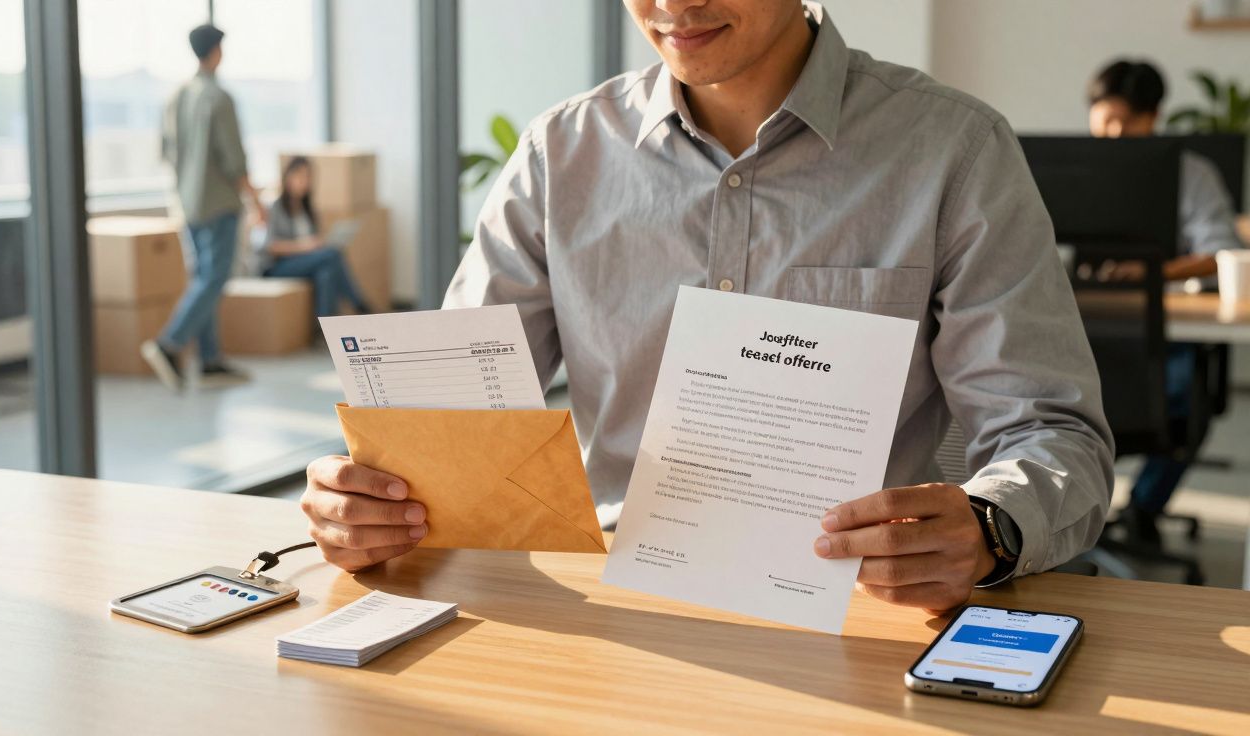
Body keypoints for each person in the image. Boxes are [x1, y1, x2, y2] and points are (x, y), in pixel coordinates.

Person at [300, 1, 1115, 613]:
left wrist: (990, 524)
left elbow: (1052, 430)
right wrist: (368, 505)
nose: (674, 3)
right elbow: (447, 426)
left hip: (855, 604)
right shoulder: (562, 155)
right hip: (614, 597)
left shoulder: (952, 150)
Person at [1086, 58, 1246, 546]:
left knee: (1181, 391)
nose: (1113, 134)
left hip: (1163, 329)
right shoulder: (1074, 170)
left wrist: (1152, 271)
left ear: (1153, 118)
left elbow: (1224, 253)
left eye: (1125, 122)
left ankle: (1142, 511)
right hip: (1080, 326)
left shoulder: (1189, 174)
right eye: (1104, 120)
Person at [142, 23, 266, 391]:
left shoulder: (175, 97)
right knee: (214, 279)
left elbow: (165, 152)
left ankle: (210, 361)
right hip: (218, 204)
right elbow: (234, 161)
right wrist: (257, 202)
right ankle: (169, 343)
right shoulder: (218, 98)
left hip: (186, 203)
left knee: (204, 279)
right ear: (216, 51)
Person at [259, 157, 371, 317]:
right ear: (288, 177)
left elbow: (315, 241)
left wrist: (320, 243)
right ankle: (359, 305)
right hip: (279, 267)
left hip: (307, 263)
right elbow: (271, 246)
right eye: (299, 176)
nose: (303, 182)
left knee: (326, 273)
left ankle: (325, 329)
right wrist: (305, 246)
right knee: (333, 254)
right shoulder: (275, 207)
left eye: (307, 177)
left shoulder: (308, 209)